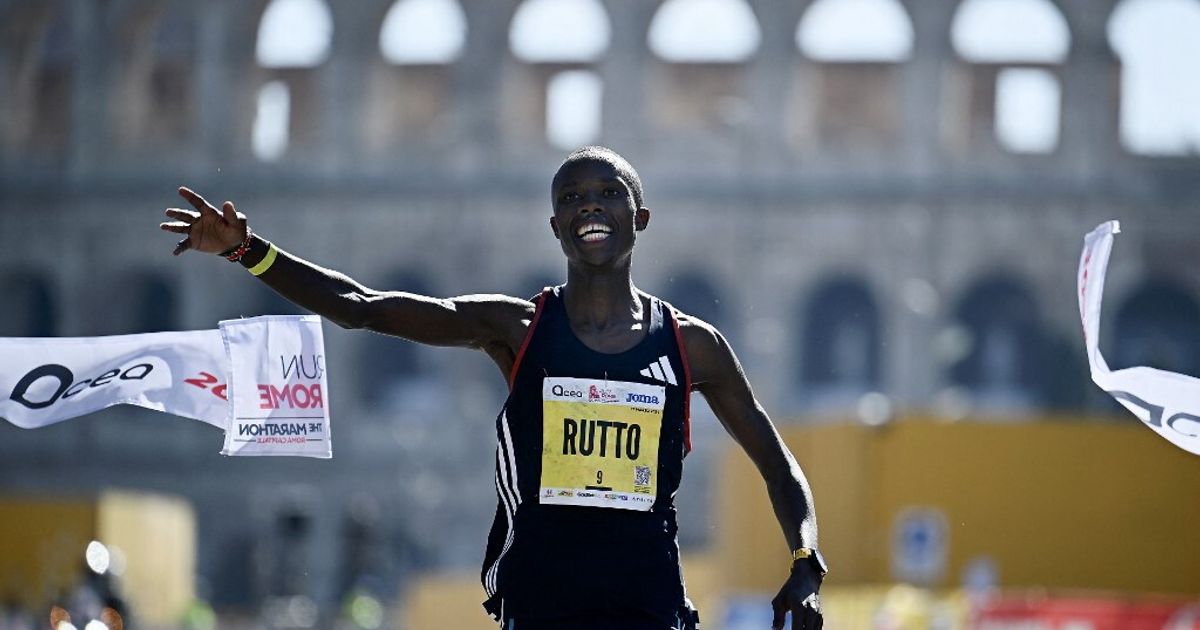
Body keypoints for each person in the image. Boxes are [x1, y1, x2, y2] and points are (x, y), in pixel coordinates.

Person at [160, 146, 825, 630]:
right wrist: (249, 252)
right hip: (539, 602)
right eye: (570, 198)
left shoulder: (691, 344)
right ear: (555, 228)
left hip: (646, 603)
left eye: (607, 192)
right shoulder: (515, 327)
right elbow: (360, 306)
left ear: (640, 217)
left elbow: (778, 464)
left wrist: (805, 555)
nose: (588, 205)